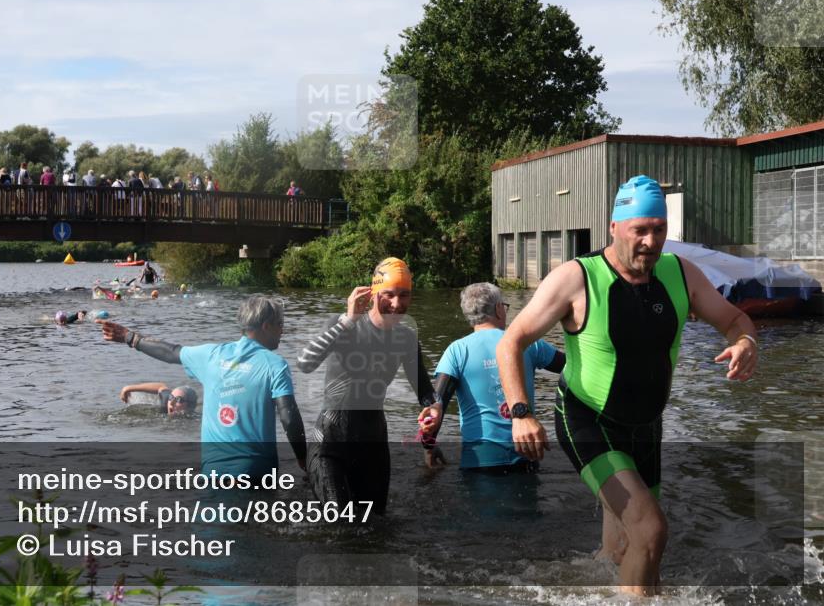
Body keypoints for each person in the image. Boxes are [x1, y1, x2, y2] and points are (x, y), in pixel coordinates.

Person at [495, 175, 759, 596]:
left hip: (646, 427)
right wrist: (521, 414)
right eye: (640, 229)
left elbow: (734, 320)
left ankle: (590, 590)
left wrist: (744, 341)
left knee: (624, 547)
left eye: (658, 229)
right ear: (614, 227)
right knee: (651, 531)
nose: (650, 241)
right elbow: (512, 341)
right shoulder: (576, 279)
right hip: (589, 420)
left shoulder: (680, 274)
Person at [97, 295, 306, 477]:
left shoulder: (210, 355)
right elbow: (288, 416)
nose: (282, 330)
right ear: (266, 326)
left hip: (213, 471)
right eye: (280, 324)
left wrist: (130, 337)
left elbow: (170, 352)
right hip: (256, 469)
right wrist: (304, 460)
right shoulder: (275, 365)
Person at [296, 257, 438, 516]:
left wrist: (434, 408)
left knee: (376, 526)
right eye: (389, 295)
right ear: (373, 293)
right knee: (338, 524)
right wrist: (348, 320)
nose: (397, 304)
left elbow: (426, 391)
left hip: (373, 443)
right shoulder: (343, 325)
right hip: (331, 443)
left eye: (404, 295)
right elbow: (305, 363)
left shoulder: (406, 338)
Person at [419, 282, 565, 472]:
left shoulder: (456, 351)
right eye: (504, 306)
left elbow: (437, 405)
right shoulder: (527, 343)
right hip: (526, 453)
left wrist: (428, 447)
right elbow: (572, 366)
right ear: (498, 309)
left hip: (479, 460)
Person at [118, 382, 198, 417]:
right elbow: (161, 386)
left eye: (178, 400)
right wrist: (128, 388)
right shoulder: (166, 402)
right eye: (171, 397)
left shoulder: (195, 419)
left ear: (189, 405)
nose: (171, 403)